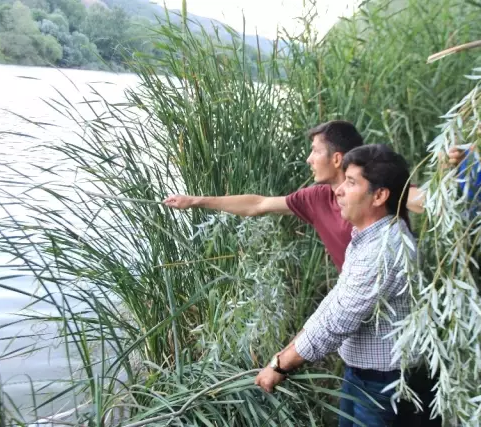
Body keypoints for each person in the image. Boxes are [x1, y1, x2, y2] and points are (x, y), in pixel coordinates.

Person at [254, 144, 434, 426]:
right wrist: (287, 349)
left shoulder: (382, 251)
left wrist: (280, 365)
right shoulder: (368, 238)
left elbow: (338, 321)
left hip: (387, 384)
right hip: (364, 375)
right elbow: (336, 301)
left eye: (350, 182)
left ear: (380, 195)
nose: (338, 190)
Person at [163, 120, 425, 272]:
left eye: (314, 151)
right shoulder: (316, 198)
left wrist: (454, 169)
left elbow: (425, 202)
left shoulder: (377, 188)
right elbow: (258, 204)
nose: (308, 159)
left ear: (336, 158)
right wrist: (195, 200)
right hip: (355, 296)